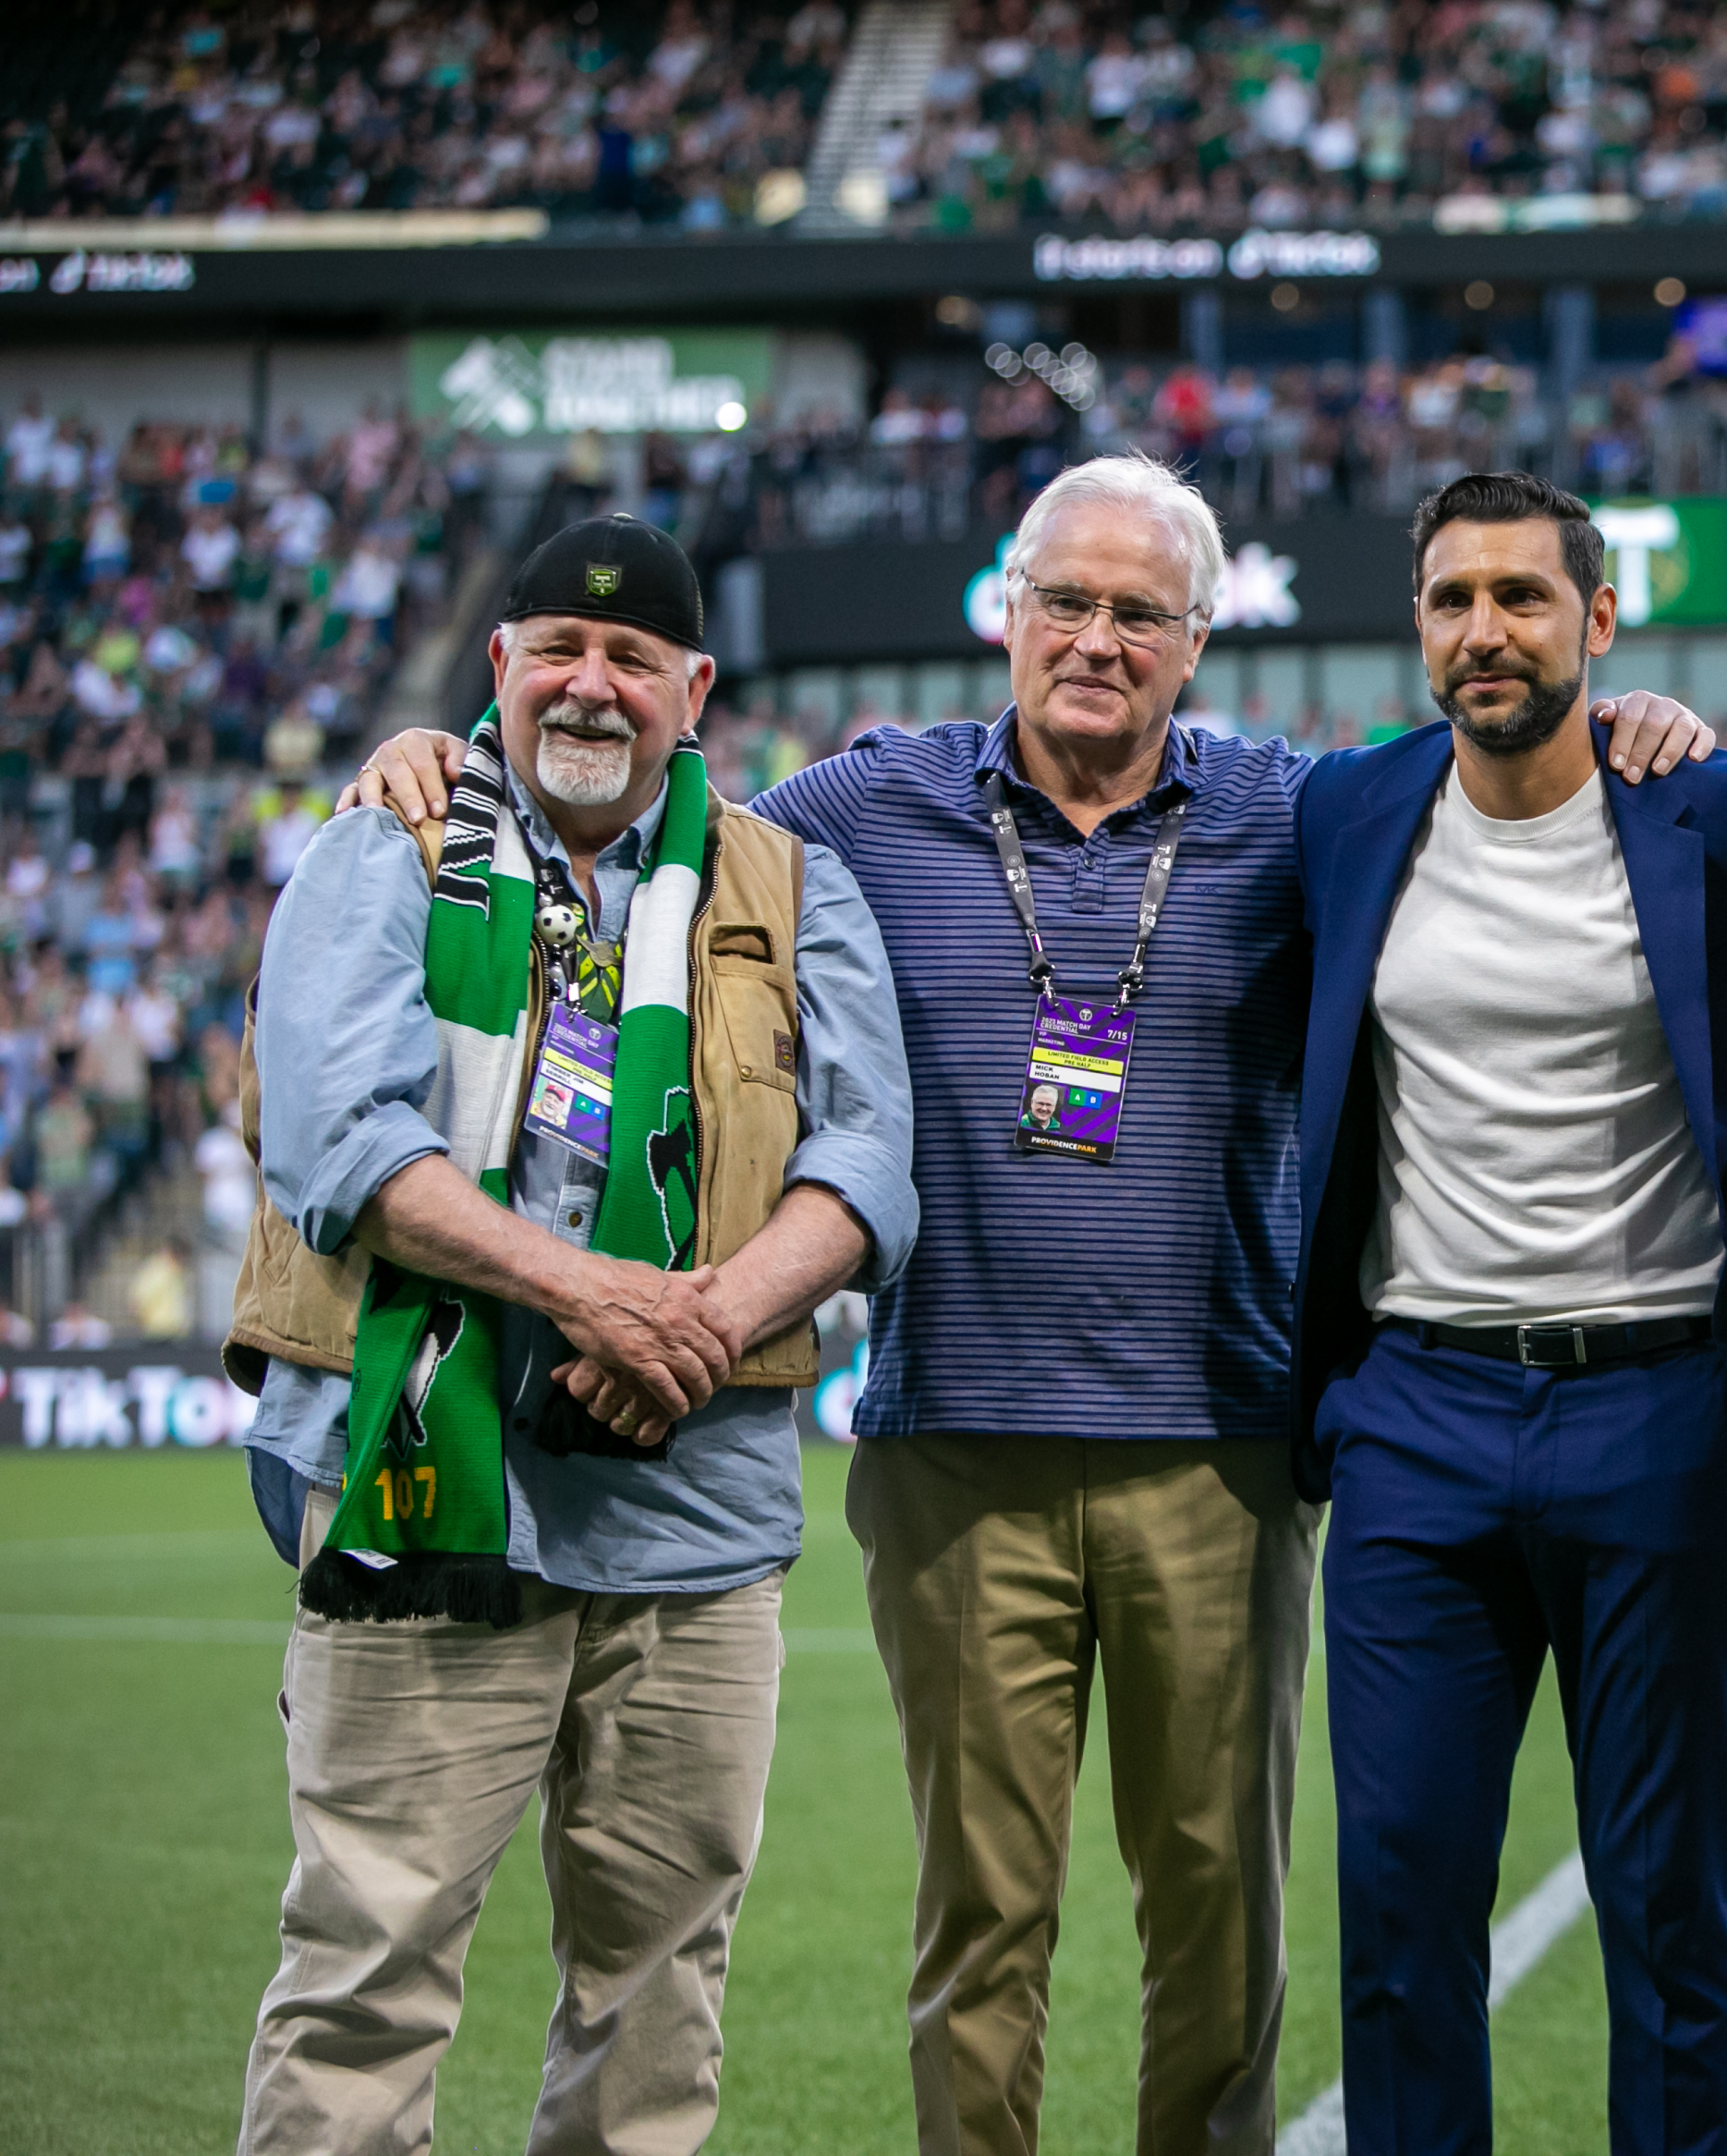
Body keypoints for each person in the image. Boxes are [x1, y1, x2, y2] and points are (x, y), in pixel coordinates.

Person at [353, 455, 1714, 2156]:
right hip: (954, 1448)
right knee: (979, 1922)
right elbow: (636, 783)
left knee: (1219, 1916)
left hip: (1217, 1449)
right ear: (1011, 612)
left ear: (1199, 638)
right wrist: (438, 755)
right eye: (1064, 600)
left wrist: (1641, 713)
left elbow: (1506, 756)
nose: (1096, 638)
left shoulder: (1298, 812)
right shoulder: (852, 805)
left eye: (1140, 611)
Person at [230, 514, 918, 2155]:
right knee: (366, 1975)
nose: (590, 686)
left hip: (694, 1516)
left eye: (630, 659)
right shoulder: (382, 849)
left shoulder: (791, 882)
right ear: (501, 667)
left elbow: (869, 1154)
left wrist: (701, 1312)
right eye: (559, 649)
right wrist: (584, 1288)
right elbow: (341, 1141)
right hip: (421, 1481)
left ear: (694, 689)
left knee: (659, 1993)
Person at [1293, 471, 1727, 2156]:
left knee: (1672, 1907)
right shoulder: (1345, 810)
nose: (1486, 631)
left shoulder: (1718, 816)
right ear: (1419, 623)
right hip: (1417, 1419)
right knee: (1395, 1902)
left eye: (1525, 598)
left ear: (1597, 625)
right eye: (1455, 599)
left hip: (1663, 1406)